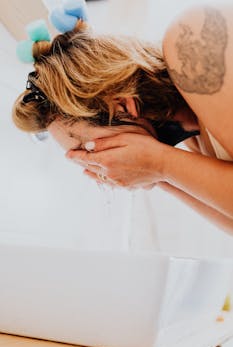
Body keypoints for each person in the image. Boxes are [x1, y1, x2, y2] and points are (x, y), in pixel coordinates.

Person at [13, 4, 233, 234]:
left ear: (122, 105)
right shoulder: (197, 140)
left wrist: (160, 163)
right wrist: (158, 175)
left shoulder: (190, 40)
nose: (99, 165)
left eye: (87, 149)